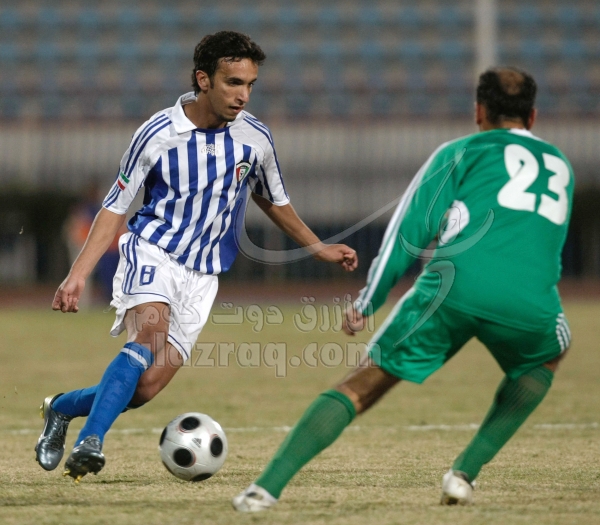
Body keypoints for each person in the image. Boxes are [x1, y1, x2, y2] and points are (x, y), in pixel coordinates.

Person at [233, 66, 574, 511]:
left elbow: (407, 233)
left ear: (479, 111)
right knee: (548, 354)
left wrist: (368, 301)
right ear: (532, 116)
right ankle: (464, 474)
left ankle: (264, 490)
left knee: (361, 386)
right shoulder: (560, 165)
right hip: (529, 301)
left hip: (452, 290)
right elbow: (548, 245)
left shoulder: (460, 151)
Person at [35, 31, 358, 483]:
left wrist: (318, 247)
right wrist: (78, 275)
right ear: (204, 80)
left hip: (203, 276)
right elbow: (114, 207)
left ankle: (61, 408)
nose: (243, 95)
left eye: (250, 85)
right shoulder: (157, 133)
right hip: (154, 251)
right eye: (233, 83)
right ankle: (91, 440)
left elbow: (273, 199)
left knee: (144, 389)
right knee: (148, 338)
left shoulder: (255, 138)